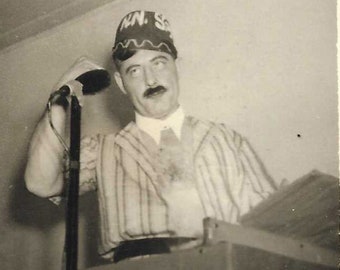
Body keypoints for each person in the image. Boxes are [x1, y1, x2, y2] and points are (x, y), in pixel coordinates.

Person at [25, 10, 278, 262]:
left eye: (159, 62)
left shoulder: (227, 140)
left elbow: (275, 226)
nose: (151, 79)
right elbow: (40, 182)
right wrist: (60, 96)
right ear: (121, 84)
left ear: (175, 67)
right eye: (134, 70)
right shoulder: (104, 152)